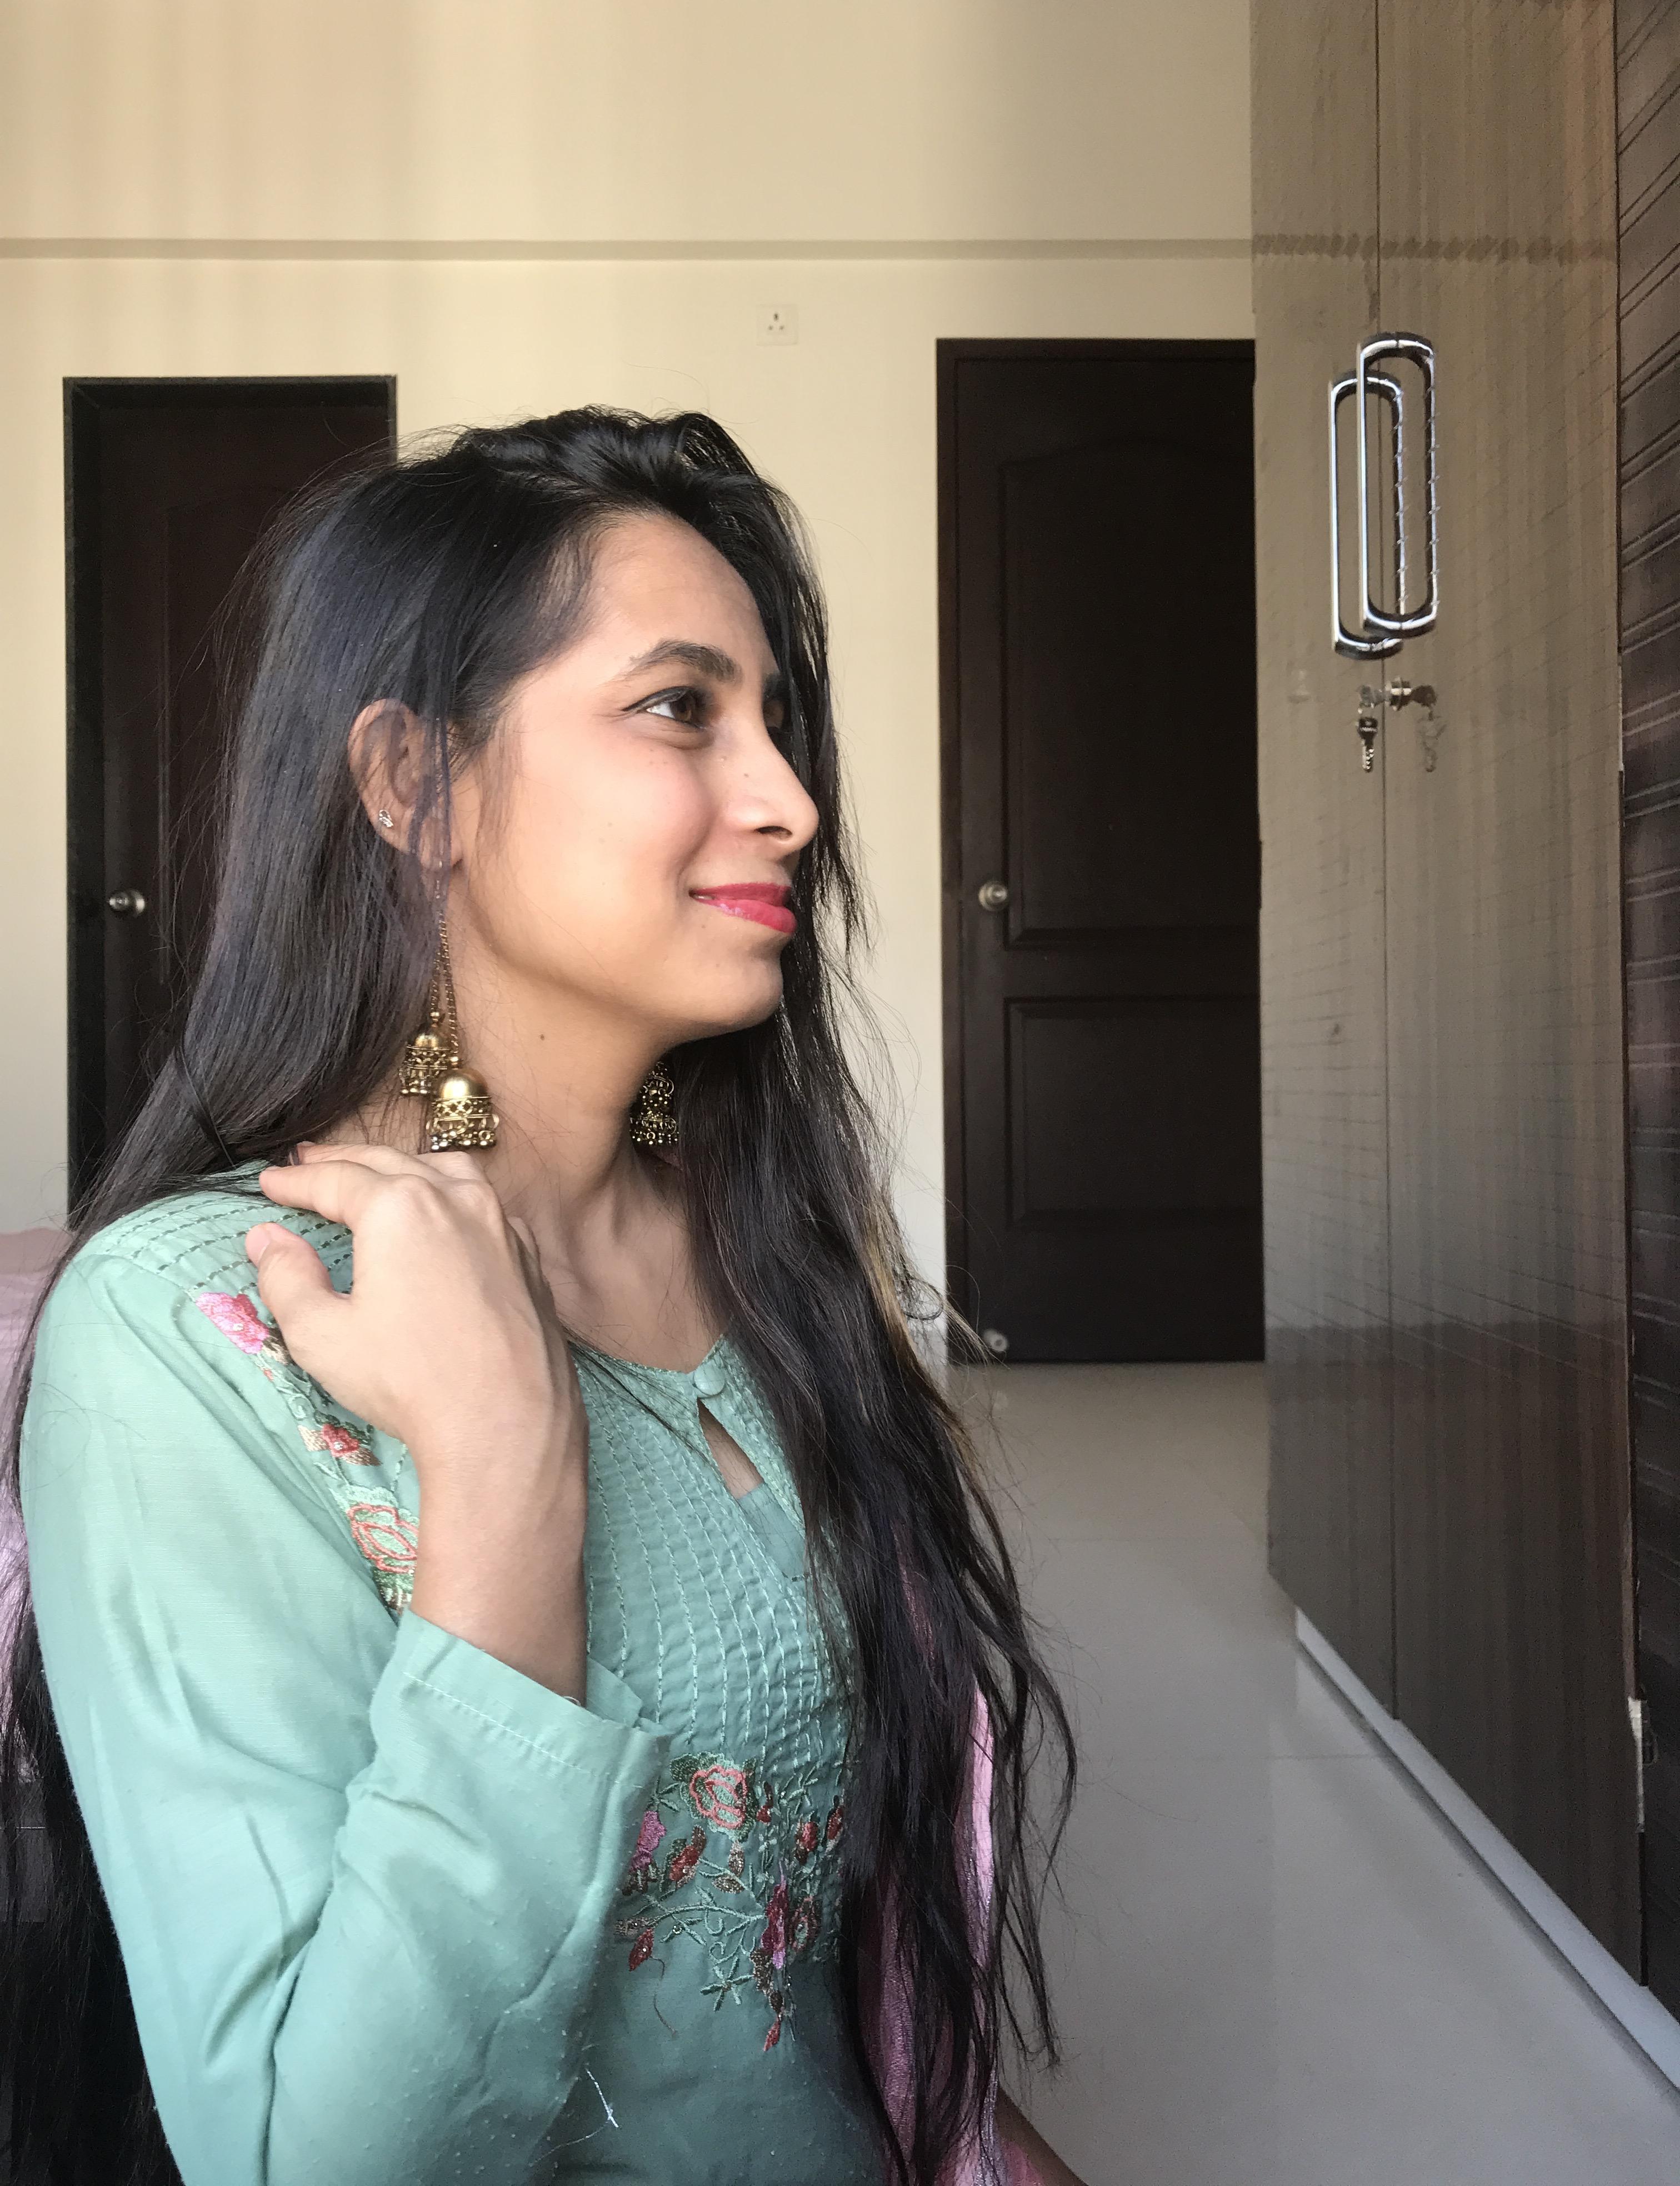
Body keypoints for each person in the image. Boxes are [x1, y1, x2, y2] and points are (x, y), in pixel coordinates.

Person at [0, 409, 1080, 2185]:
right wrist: (503, 1484)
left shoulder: (776, 1252)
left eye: (777, 719)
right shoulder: (191, 1334)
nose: (791, 802)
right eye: (680, 709)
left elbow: (833, 1975)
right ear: (412, 782)